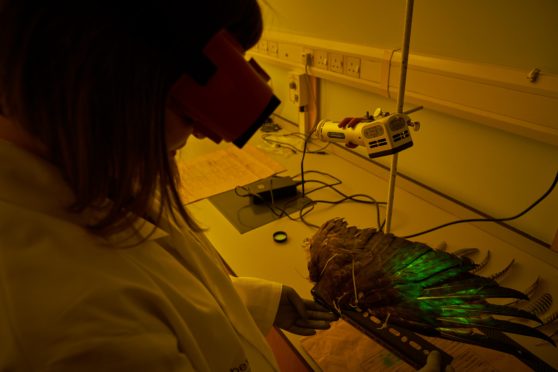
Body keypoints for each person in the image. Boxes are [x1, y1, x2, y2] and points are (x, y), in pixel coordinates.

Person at [0, 1, 445, 371]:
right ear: (101, 81)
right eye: (191, 114)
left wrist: (256, 300)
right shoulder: (69, 324)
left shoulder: (94, 167)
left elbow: (166, 289)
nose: (204, 135)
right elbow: (134, 302)